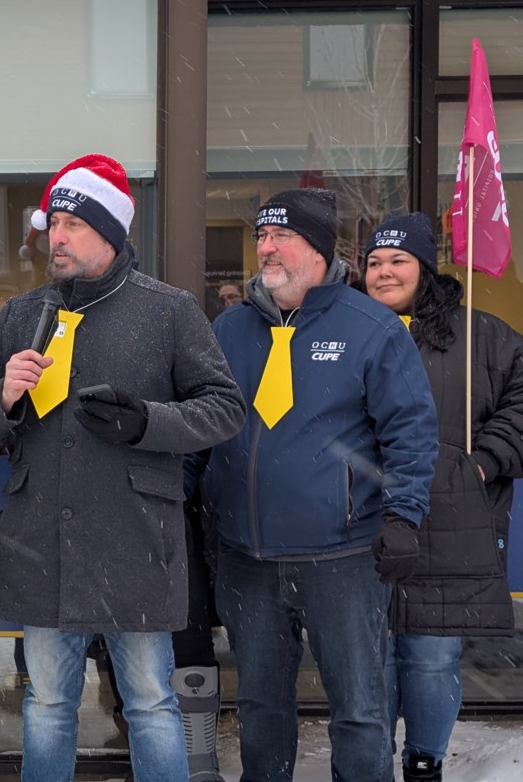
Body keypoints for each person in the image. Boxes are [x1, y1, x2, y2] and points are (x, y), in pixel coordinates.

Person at [0, 154, 246, 782]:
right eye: (53, 224)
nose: (56, 238)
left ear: (111, 235)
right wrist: (2, 396)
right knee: (47, 704)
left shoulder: (168, 311)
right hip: (43, 544)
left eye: (74, 225)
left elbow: (226, 409)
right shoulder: (21, 315)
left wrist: (146, 422)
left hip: (134, 541)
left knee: (150, 703)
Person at [190, 188, 439, 782]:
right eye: (261, 236)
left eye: (283, 236)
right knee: (259, 708)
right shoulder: (228, 329)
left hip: (343, 558)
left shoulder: (370, 326)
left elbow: (410, 430)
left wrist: (403, 516)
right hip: (247, 558)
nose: (266, 248)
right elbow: (199, 424)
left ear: (320, 249)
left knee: (359, 710)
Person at [362, 212, 523, 782]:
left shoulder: (483, 336)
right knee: (369, 659)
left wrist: (482, 463)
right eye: (373, 262)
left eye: (398, 260)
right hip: (361, 517)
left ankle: (423, 763)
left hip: (448, 517)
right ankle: (368, 764)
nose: (383, 272)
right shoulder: (345, 330)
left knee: (429, 656)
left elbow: (521, 403)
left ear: (426, 268)